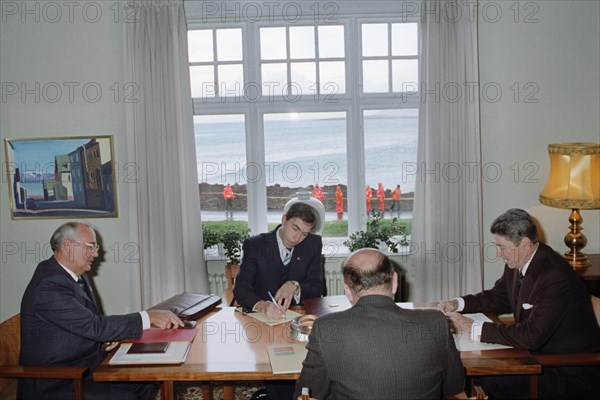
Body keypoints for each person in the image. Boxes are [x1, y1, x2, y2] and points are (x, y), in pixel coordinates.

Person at [439, 208, 600, 399]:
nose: (498, 254)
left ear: (525, 244)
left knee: (482, 376)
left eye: (502, 247)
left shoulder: (555, 277)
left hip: (566, 371)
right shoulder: (519, 261)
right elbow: (498, 297)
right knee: (471, 372)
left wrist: (473, 328)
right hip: (537, 355)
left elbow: (532, 336)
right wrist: (458, 303)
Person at [18, 222, 184, 400]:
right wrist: (147, 317)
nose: (96, 254)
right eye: (90, 247)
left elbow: (84, 323)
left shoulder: (74, 275)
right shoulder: (49, 285)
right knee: (126, 397)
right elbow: (94, 326)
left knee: (143, 382)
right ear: (67, 246)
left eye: (95, 247)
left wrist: (102, 343)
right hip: (57, 380)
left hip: (82, 366)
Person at [295, 248, 465, 400]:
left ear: (347, 290)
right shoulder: (436, 322)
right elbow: (455, 386)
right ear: (395, 281)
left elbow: (308, 393)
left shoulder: (326, 328)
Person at [233, 201, 324, 400]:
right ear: (284, 220)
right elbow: (241, 289)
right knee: (282, 382)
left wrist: (295, 285)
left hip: (298, 324)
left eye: (304, 234)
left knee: (315, 370)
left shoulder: (313, 244)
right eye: (295, 229)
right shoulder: (255, 245)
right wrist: (262, 304)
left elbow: (318, 287)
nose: (297, 238)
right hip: (265, 326)